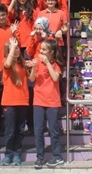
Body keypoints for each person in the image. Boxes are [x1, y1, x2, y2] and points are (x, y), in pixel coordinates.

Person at [29, 39, 64, 169]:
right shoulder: (38, 62)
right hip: (38, 99)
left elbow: (55, 78)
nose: (41, 51)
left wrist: (47, 62)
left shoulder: (56, 64)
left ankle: (57, 156)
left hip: (52, 101)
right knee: (38, 130)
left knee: (53, 130)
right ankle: (40, 157)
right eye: (41, 49)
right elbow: (32, 79)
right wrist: (33, 67)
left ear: (51, 52)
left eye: (44, 49)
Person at [2, 37, 30, 166]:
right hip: (9, 101)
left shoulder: (23, 64)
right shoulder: (6, 62)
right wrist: (12, 48)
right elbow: (8, 64)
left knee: (20, 130)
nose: (17, 50)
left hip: (22, 101)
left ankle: (17, 154)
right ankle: (8, 154)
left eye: (18, 47)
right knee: (10, 131)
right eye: (14, 48)